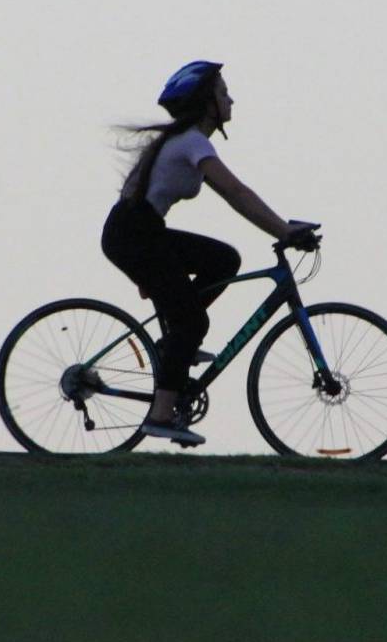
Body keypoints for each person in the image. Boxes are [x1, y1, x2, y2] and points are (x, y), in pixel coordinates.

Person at [102, 60, 315, 447]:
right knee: (192, 323)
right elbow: (237, 193)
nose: (231, 100)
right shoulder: (192, 143)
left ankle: (173, 345)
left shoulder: (183, 141)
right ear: (207, 103)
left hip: (139, 232)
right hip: (135, 234)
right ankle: (161, 415)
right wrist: (284, 231)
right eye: (223, 93)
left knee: (223, 260)